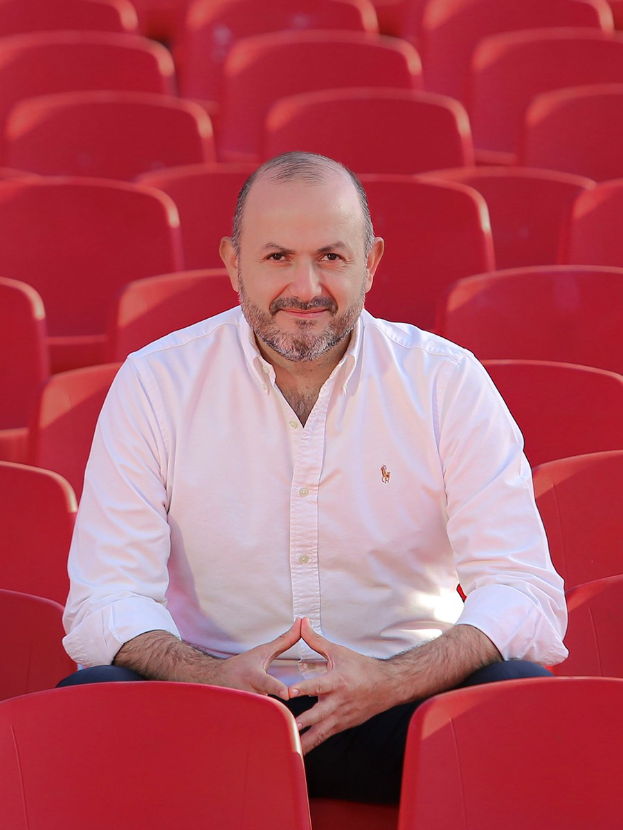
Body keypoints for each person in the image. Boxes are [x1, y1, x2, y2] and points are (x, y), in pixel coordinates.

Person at [61, 152, 567, 804]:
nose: (306, 287)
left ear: (371, 262)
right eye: (276, 258)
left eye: (330, 256)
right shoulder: (157, 383)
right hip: (211, 705)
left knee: (515, 695)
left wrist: (395, 679)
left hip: (400, 706)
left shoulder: (446, 382)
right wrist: (211, 675)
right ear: (232, 261)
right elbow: (103, 600)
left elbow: (523, 592)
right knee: (90, 702)